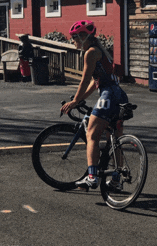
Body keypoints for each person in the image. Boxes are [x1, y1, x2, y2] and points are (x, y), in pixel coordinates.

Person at [61, 20, 128, 190]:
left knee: (91, 135)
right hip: (119, 95)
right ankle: (116, 179)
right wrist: (81, 98)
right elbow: (95, 82)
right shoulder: (101, 52)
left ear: (84, 37)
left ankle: (91, 177)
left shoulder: (90, 53)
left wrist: (75, 100)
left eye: (75, 37)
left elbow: (84, 79)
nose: (73, 41)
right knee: (115, 139)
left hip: (109, 96)